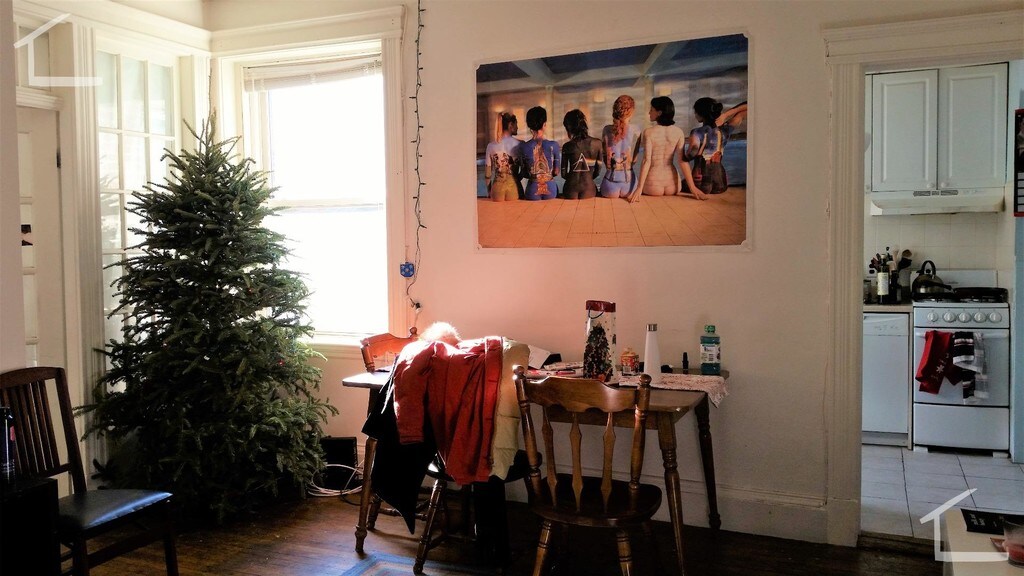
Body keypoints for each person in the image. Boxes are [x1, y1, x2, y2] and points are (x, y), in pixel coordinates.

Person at [628, 96, 698, 202]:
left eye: (651, 110)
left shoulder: (648, 132)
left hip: (653, 185)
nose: (649, 113)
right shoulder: (678, 132)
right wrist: (693, 188)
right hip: (673, 185)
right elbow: (682, 161)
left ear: (659, 113)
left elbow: (646, 161)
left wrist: (639, 188)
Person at [684, 98, 748, 196]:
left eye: (696, 112)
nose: (695, 114)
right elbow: (749, 107)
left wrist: (680, 149)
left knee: (678, 183)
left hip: (700, 184)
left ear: (701, 114)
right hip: (721, 184)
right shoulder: (725, 130)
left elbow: (691, 154)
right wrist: (726, 115)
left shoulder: (696, 132)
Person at [600, 95, 639, 198]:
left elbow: (605, 159)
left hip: (609, 184)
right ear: (631, 111)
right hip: (630, 185)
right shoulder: (636, 131)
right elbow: (634, 160)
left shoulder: (606, 130)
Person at [517, 106, 560, 200]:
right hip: (550, 188)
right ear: (544, 124)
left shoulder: (523, 147)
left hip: (532, 189)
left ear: (529, 126)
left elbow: (524, 173)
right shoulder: (554, 145)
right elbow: (556, 172)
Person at [560, 109, 604, 200]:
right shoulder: (597, 144)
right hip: (589, 188)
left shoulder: (567, 146)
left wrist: (573, 179)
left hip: (570, 189)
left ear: (569, 128)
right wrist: (587, 178)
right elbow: (597, 172)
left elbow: (563, 174)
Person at [483, 112, 523, 202]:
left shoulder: (491, 146)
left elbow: (488, 174)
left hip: (497, 189)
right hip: (514, 188)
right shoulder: (520, 145)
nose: (517, 127)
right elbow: (524, 171)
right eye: (516, 124)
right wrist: (517, 178)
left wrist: (489, 191)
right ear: (510, 125)